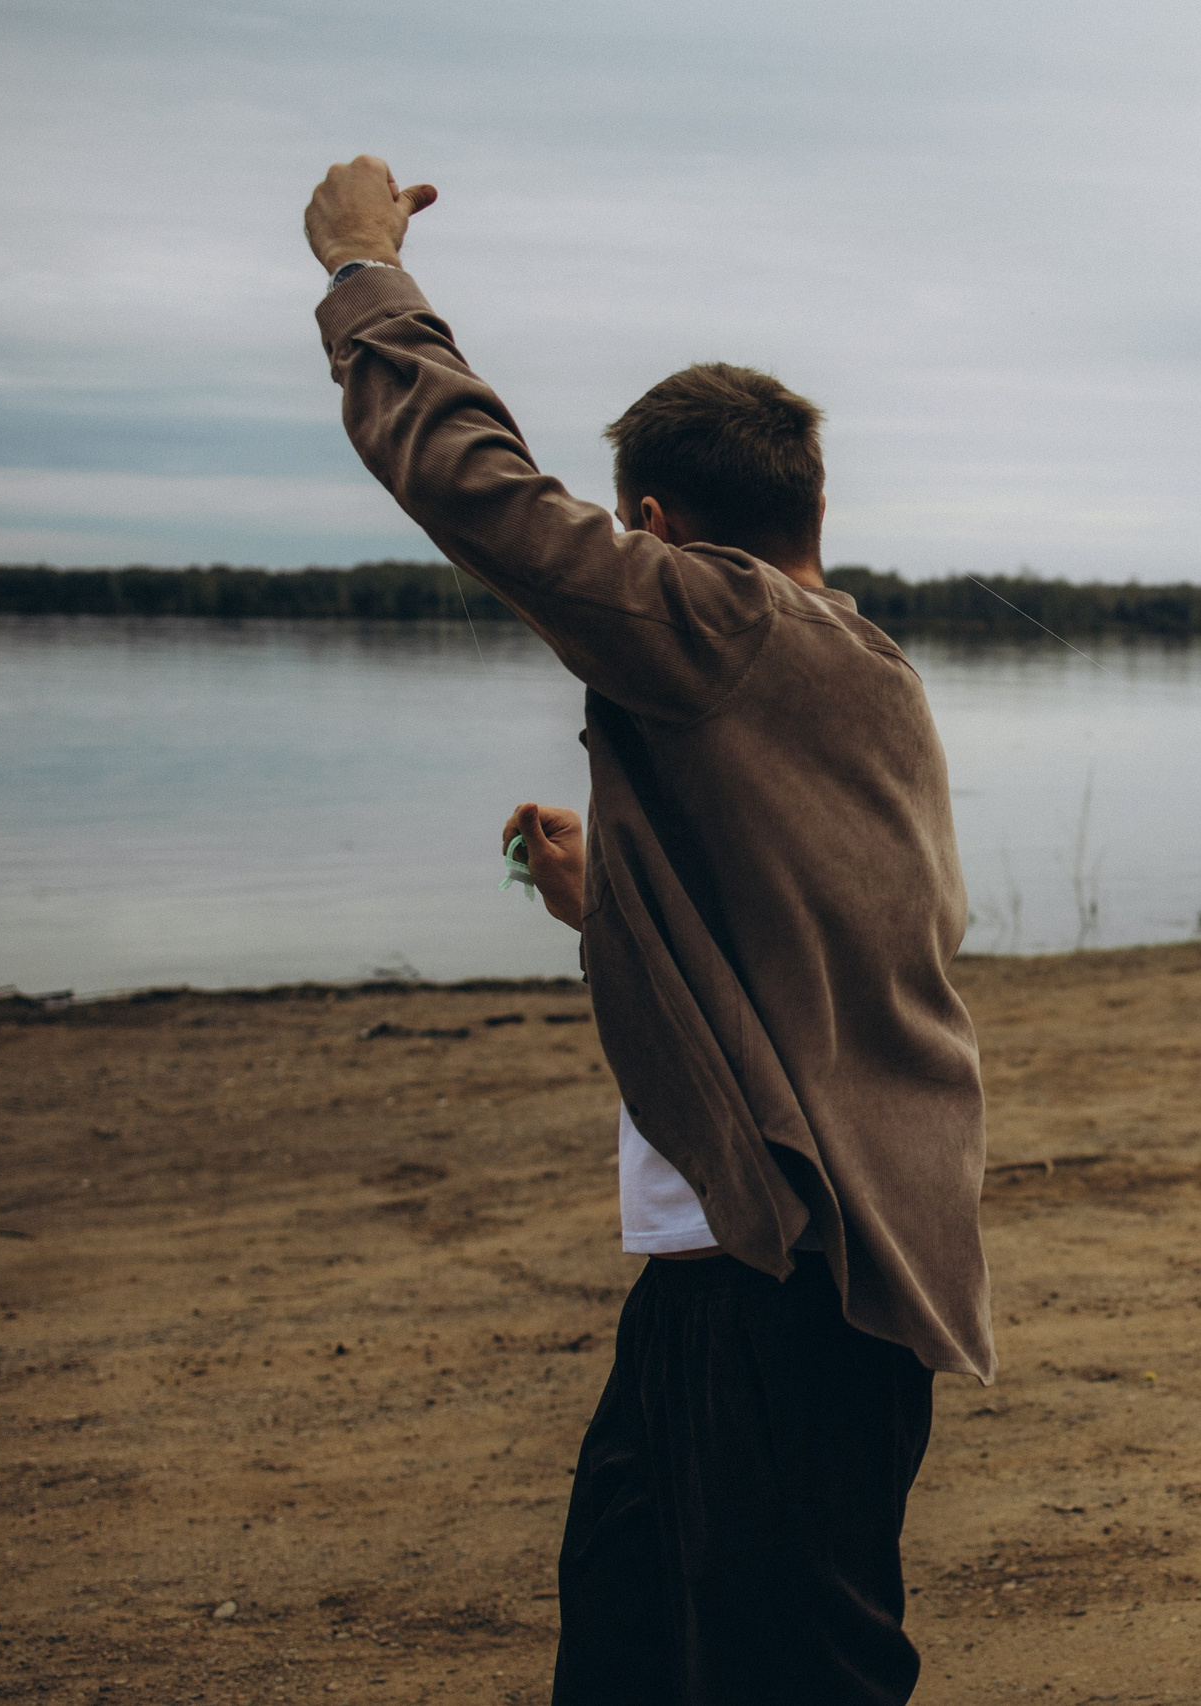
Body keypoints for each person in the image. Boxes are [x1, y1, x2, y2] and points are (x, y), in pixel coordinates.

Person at [303, 154, 991, 1706]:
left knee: (775, 1674)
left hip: (777, 1282)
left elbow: (485, 497)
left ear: (662, 525)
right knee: (628, 1642)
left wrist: (364, 278)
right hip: (748, 1274)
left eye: (631, 539)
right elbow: (847, 934)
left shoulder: (727, 617)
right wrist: (616, 896)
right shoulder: (855, 663)